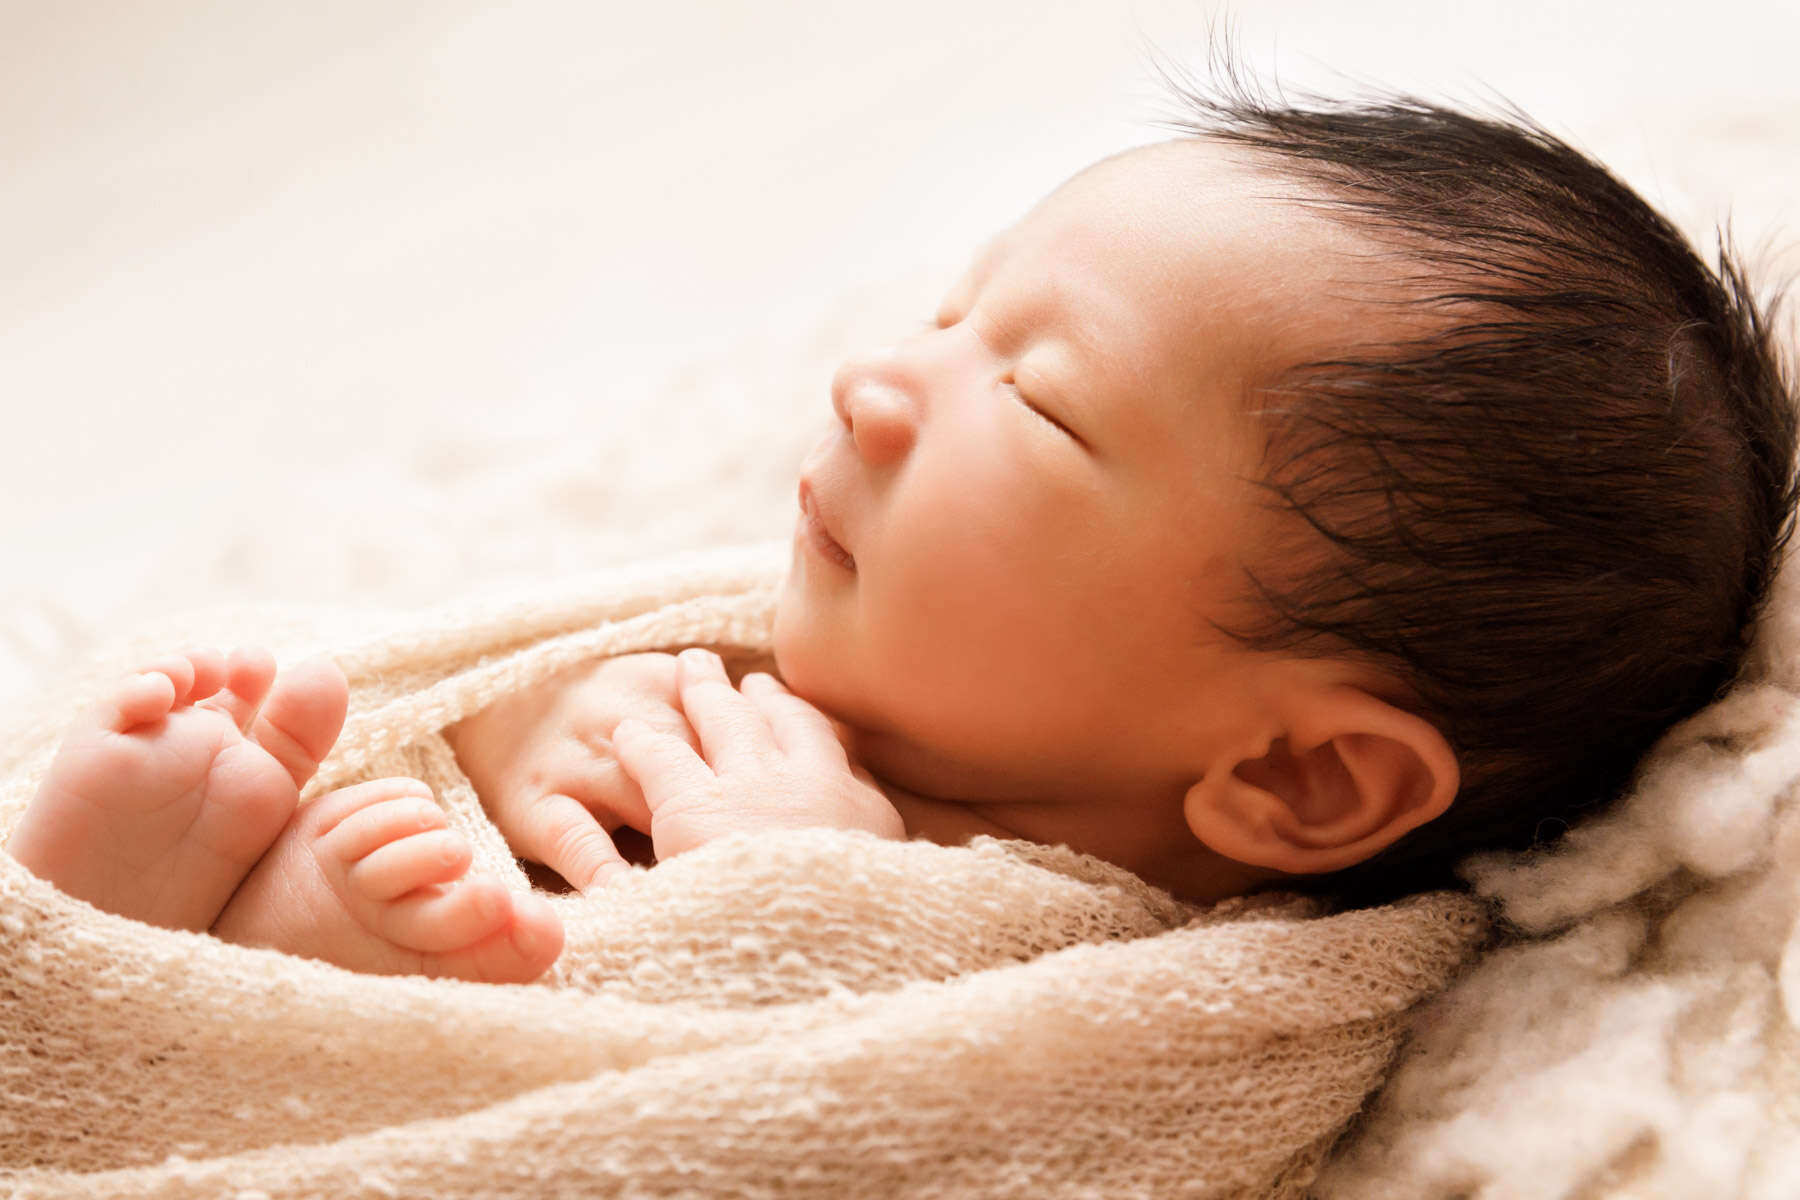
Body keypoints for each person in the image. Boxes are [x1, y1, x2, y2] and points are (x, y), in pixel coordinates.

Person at [8, 85, 1795, 983]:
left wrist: (813, 914)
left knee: (381, 945)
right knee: (305, 769)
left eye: (1042, 405)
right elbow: (488, 667)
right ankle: (120, 933)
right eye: (953, 313)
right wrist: (522, 727)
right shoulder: (766, 667)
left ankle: (218, 946)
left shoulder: (1124, 978)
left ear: (1301, 779)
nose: (872, 385)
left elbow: (883, 1128)